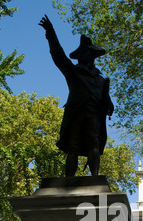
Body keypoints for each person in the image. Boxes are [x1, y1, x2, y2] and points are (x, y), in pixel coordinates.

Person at [39, 15, 114, 177]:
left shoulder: (101, 80)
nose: (83, 55)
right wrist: (51, 34)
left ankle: (95, 178)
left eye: (86, 52)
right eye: (82, 53)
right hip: (75, 113)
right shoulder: (73, 72)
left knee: (94, 144)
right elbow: (59, 56)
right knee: (72, 147)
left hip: (94, 115)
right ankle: (69, 180)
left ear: (92, 55)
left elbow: (108, 104)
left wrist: (108, 101)